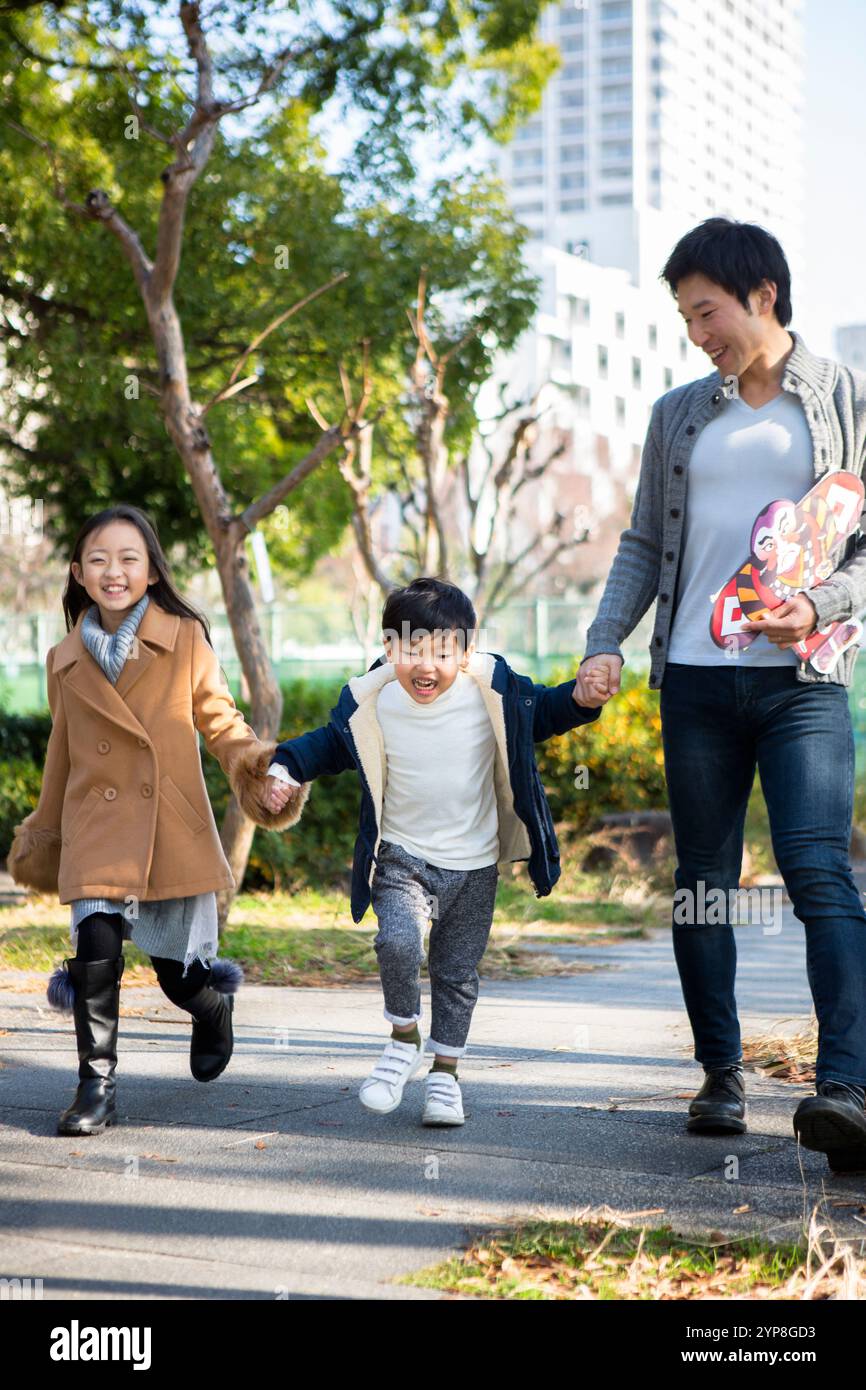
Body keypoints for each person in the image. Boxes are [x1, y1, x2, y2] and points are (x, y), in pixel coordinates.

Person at [574, 217, 866, 1173]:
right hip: (697, 679)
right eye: (687, 318)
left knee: (820, 873)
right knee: (705, 884)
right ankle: (720, 1076)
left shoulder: (842, 396)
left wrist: (818, 602)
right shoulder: (679, 411)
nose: (699, 334)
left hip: (803, 680)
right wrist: (603, 640)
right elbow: (643, 547)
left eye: (707, 312)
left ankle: (846, 1088)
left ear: (763, 297)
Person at [259, 576, 605, 1126]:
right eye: (410, 650)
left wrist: (582, 698)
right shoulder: (372, 703)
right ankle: (402, 1037)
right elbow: (325, 745)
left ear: (466, 653)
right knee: (396, 941)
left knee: (456, 973)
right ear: (388, 648)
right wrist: (283, 768)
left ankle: (445, 1074)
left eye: (443, 652)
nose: (426, 666)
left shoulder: (491, 692)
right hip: (402, 857)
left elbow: (544, 711)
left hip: (473, 865)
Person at [7, 504, 300, 1136]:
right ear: (79, 573)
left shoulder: (184, 637)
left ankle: (211, 1007)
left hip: (167, 827)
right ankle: (96, 1086)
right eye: (100, 560)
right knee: (95, 948)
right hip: (96, 833)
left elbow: (221, 722)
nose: (114, 571)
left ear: (149, 570)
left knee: (177, 976)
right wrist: (45, 833)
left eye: (128, 558)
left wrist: (258, 770)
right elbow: (62, 754)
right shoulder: (62, 659)